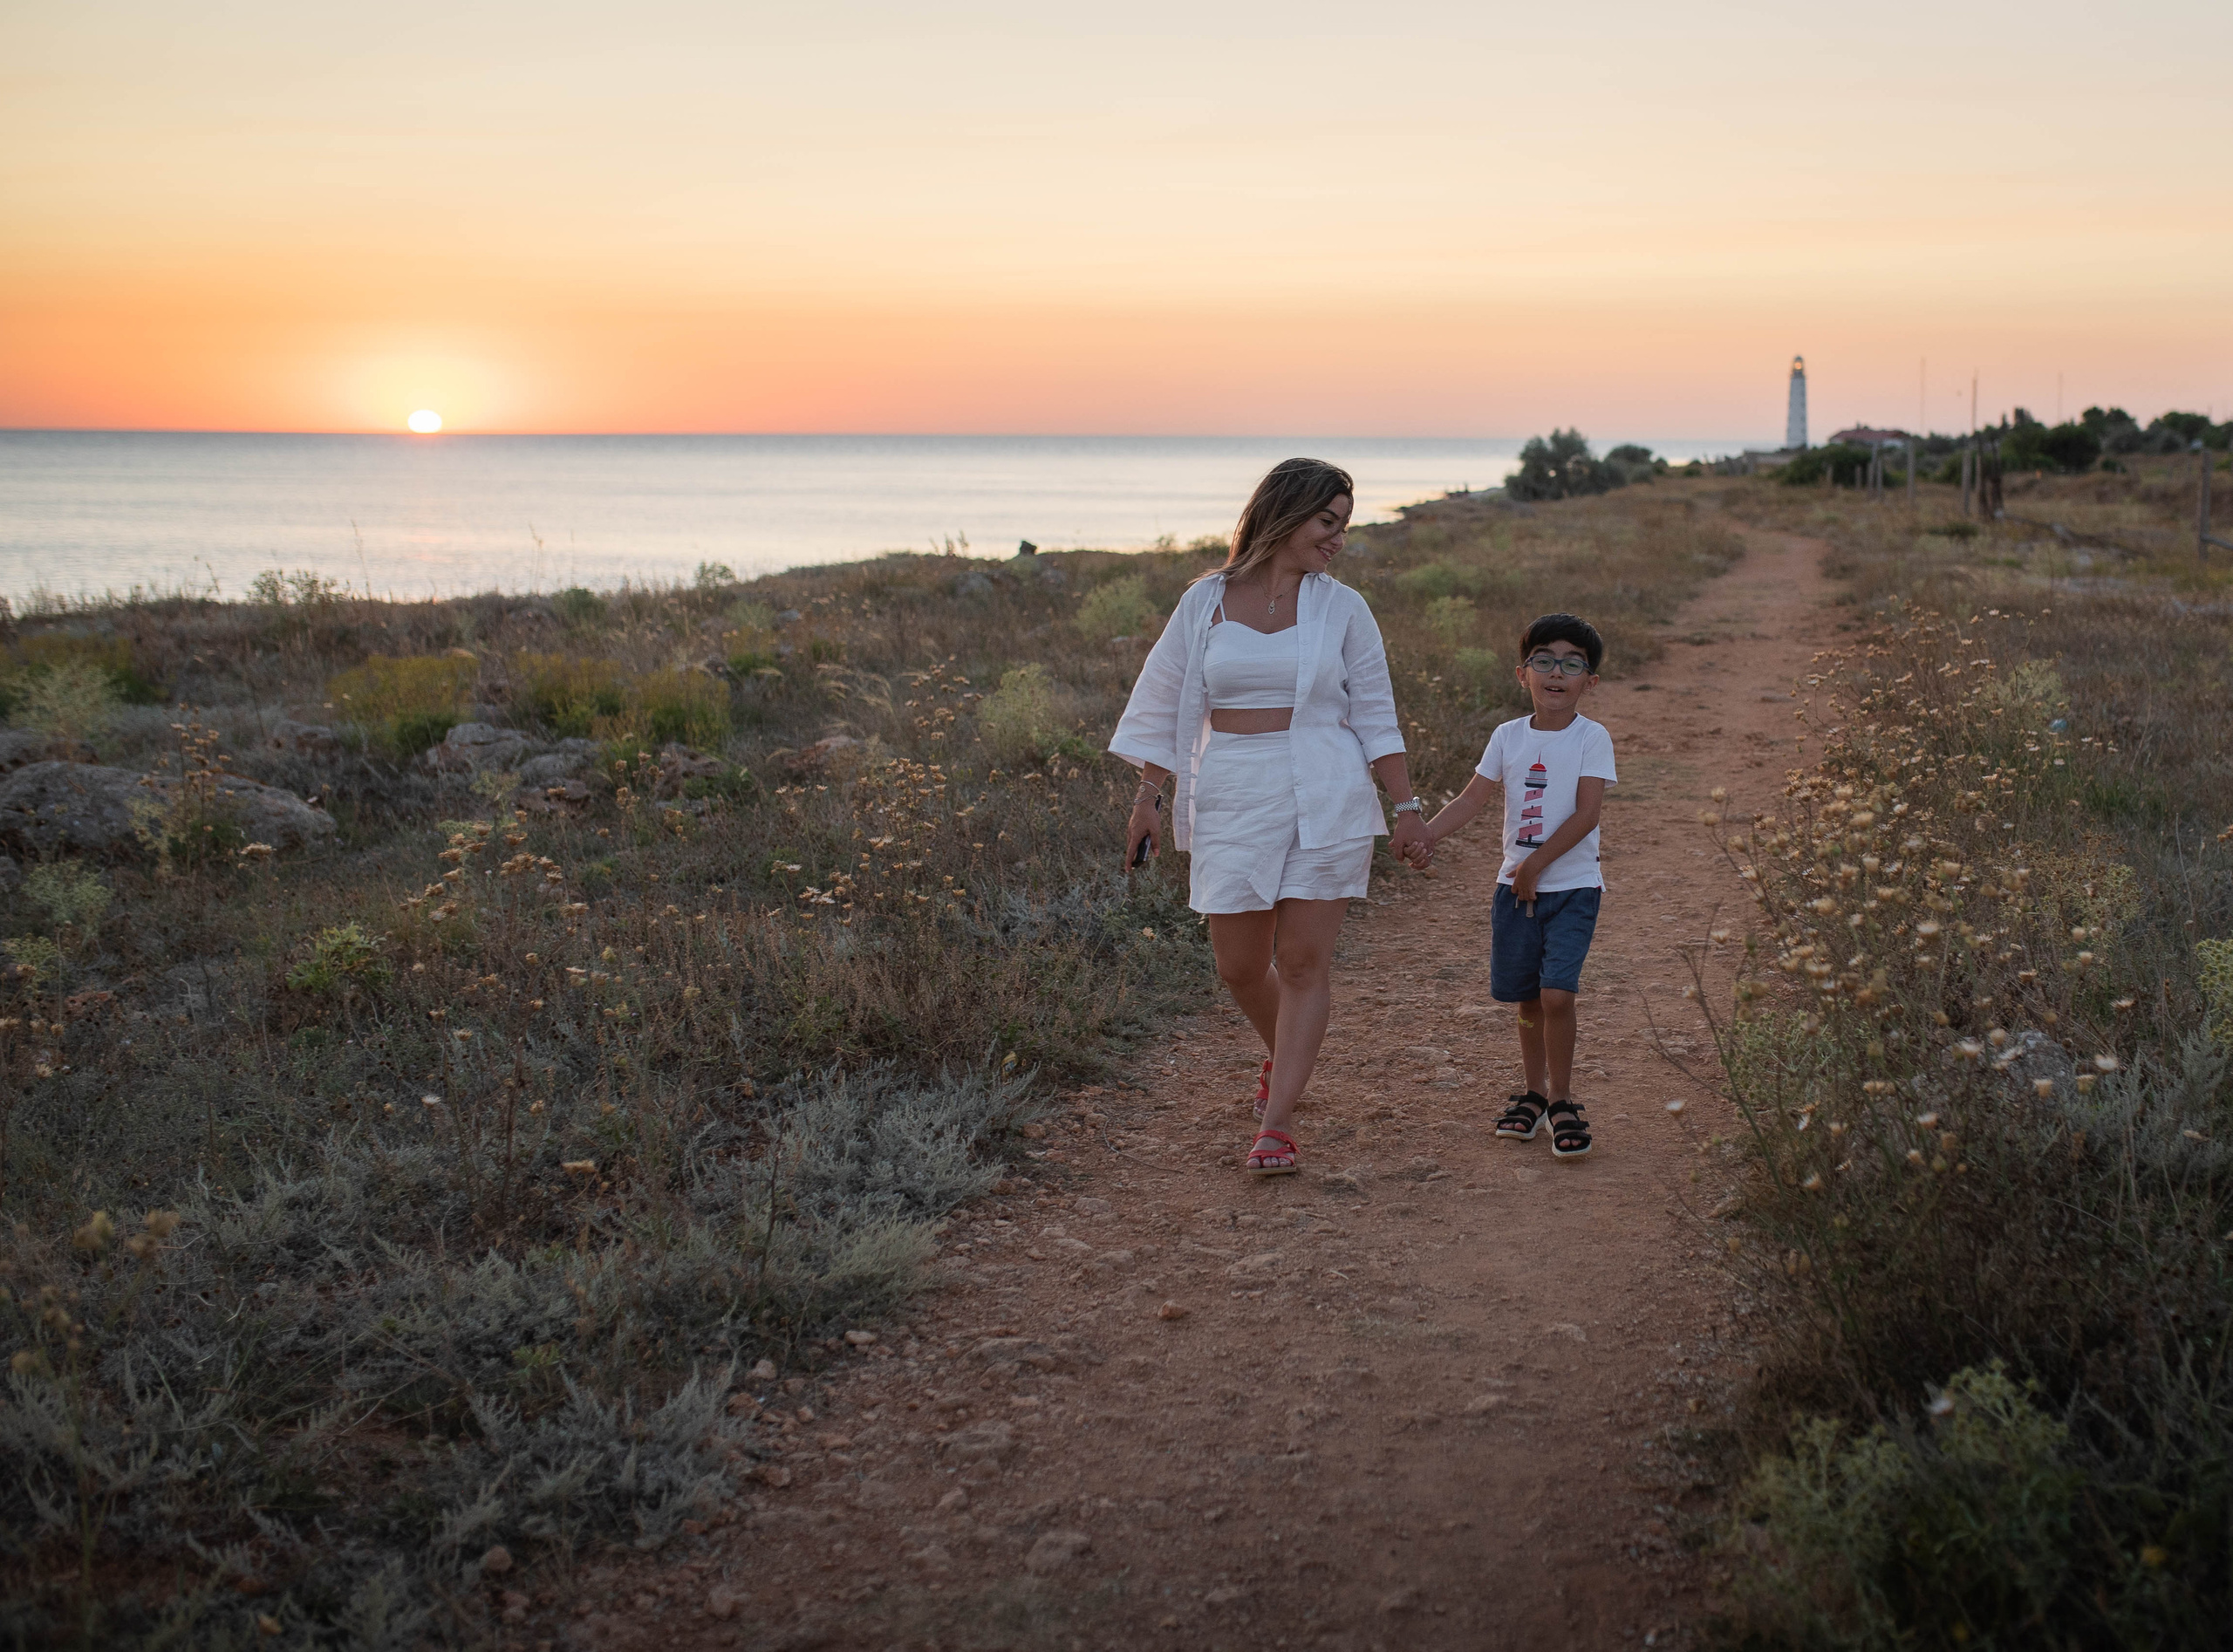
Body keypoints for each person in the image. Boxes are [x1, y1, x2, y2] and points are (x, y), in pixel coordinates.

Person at [1110, 458, 1430, 1176]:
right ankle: (1283, 1055)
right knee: (1240, 966)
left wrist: (1406, 808)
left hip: (1327, 788)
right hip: (1233, 792)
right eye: (1327, 522)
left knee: (1305, 963)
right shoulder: (1205, 601)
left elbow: (1376, 714)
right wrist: (1147, 798)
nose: (1338, 539)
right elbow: (1162, 702)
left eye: (1344, 526)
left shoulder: (1344, 608)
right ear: (1285, 514)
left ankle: (1278, 1122)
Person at [1404, 614, 1616, 1158]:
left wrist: (1534, 866)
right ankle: (1535, 1094)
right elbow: (1472, 798)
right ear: (1523, 674)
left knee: (1556, 994)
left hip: (1571, 888)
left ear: (1589, 681)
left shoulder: (1591, 738)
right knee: (1526, 997)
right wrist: (1427, 835)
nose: (1556, 672)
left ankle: (1563, 1098)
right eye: (1544, 660)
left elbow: (1587, 814)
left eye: (1572, 664)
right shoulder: (1508, 736)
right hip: (1516, 891)